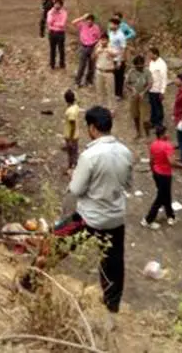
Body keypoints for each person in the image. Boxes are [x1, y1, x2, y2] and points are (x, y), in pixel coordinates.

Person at [54, 106, 133, 316]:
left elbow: (77, 189)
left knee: (55, 242)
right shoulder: (125, 152)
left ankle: (30, 281)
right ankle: (112, 305)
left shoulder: (90, 155)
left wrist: (76, 176)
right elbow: (127, 183)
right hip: (115, 217)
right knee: (114, 264)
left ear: (92, 128)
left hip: (89, 217)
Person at [142, 123, 182, 229]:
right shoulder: (167, 146)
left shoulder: (154, 144)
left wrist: (153, 171)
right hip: (165, 174)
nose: (168, 134)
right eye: (166, 132)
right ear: (163, 134)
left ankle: (170, 215)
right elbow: (172, 162)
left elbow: (151, 160)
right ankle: (148, 219)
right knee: (160, 198)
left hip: (156, 172)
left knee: (165, 195)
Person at [124, 55, 151, 140]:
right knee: (135, 115)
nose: (140, 67)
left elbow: (150, 83)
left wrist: (144, 92)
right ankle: (138, 132)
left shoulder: (147, 72)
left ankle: (147, 135)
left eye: (141, 65)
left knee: (145, 117)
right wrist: (132, 89)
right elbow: (126, 83)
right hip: (134, 96)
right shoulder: (131, 72)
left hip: (144, 97)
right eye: (138, 66)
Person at [72, 13, 101, 88]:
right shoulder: (82, 25)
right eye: (88, 20)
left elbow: (99, 39)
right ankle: (77, 82)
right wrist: (82, 17)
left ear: (93, 21)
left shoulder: (96, 28)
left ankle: (89, 81)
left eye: (91, 20)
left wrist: (96, 48)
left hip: (92, 47)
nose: (89, 21)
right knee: (82, 65)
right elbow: (73, 22)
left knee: (91, 66)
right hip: (84, 47)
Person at [93, 33, 118, 106]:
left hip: (109, 72)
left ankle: (111, 109)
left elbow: (115, 54)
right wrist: (97, 52)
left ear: (108, 40)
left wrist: (108, 51)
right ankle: (101, 106)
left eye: (104, 40)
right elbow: (93, 57)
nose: (103, 41)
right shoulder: (98, 46)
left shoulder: (112, 47)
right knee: (100, 91)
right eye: (101, 40)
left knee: (110, 92)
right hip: (99, 71)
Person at [106, 18, 128, 100]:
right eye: (109, 24)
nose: (109, 25)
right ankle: (114, 92)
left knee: (119, 77)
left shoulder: (121, 35)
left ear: (116, 25)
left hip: (119, 59)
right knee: (114, 76)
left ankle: (119, 94)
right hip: (112, 58)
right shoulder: (111, 33)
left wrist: (120, 61)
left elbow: (123, 49)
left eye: (111, 24)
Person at [146, 47, 167, 128]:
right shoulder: (151, 62)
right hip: (151, 88)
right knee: (152, 106)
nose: (149, 55)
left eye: (150, 53)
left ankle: (159, 122)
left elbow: (164, 78)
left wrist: (162, 91)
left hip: (157, 89)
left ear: (155, 54)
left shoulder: (162, 64)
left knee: (158, 106)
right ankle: (153, 121)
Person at [46, 0, 68, 70]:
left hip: (60, 33)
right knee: (52, 49)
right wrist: (53, 14)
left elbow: (62, 24)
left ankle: (62, 64)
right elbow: (49, 23)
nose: (57, 5)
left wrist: (54, 24)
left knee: (61, 49)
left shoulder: (64, 12)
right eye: (55, 4)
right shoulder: (50, 12)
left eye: (58, 4)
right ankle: (52, 64)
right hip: (52, 33)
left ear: (61, 5)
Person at [63, 89, 82, 170]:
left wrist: (70, 139)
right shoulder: (75, 107)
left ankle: (72, 166)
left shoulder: (70, 112)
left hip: (71, 136)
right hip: (75, 135)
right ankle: (73, 165)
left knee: (71, 152)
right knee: (74, 151)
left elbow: (72, 126)